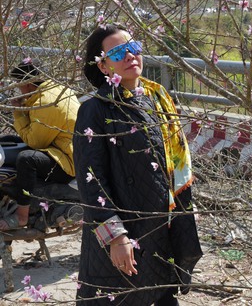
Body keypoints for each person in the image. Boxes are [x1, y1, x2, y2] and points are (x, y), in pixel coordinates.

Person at [73, 24, 202, 305]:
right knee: (121, 296)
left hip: (160, 225)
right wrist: (115, 237)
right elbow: (90, 179)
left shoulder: (157, 99)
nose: (130, 55)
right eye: (119, 52)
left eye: (134, 47)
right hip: (126, 230)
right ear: (104, 66)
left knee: (160, 293)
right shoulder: (95, 110)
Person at [0, 59, 79, 230]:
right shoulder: (52, 91)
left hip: (69, 161)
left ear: (28, 83)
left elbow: (35, 142)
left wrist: (18, 112)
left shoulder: (46, 101)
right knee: (8, 141)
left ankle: (22, 217)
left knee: (26, 159)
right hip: (59, 150)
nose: (18, 89)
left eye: (18, 84)